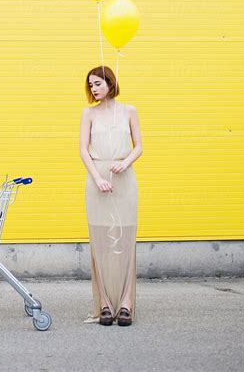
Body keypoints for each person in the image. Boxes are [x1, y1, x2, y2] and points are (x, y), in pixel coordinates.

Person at [79, 65, 143, 326]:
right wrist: (97, 178)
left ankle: (126, 303)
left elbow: (139, 146)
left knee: (126, 240)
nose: (93, 89)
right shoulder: (88, 114)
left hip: (124, 179)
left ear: (110, 82)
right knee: (100, 241)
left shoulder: (130, 111)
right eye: (90, 85)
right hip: (98, 179)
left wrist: (125, 163)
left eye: (97, 83)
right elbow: (83, 150)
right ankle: (104, 303)